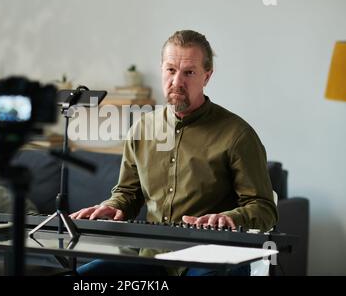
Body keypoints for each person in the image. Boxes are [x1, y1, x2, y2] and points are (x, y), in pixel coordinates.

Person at [70, 30, 278, 276]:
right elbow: (128, 193)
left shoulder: (238, 135)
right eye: (170, 70)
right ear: (161, 70)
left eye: (188, 72)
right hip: (153, 258)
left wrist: (230, 218)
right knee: (82, 278)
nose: (177, 81)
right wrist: (113, 206)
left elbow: (264, 208)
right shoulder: (142, 128)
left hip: (212, 257)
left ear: (207, 76)